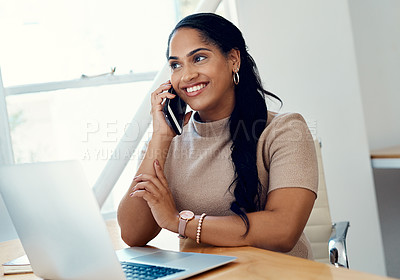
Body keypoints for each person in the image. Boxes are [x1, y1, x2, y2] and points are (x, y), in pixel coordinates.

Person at [117, 13, 318, 259]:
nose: (186, 75)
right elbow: (132, 233)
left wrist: (178, 222)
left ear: (233, 59)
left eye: (199, 58)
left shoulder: (285, 130)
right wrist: (160, 137)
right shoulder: (167, 142)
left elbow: (283, 230)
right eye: (175, 65)